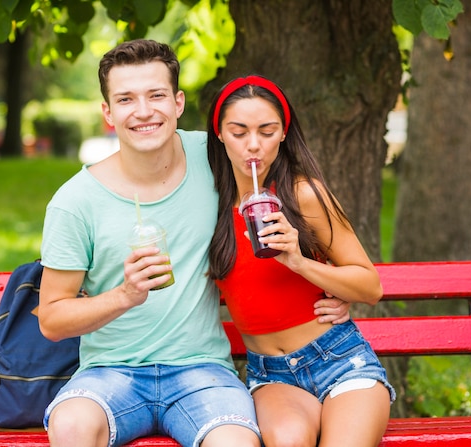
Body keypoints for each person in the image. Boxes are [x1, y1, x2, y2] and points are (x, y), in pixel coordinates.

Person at [38, 39, 349, 447]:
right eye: (126, 99)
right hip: (110, 373)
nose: (144, 111)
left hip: (202, 371)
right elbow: (52, 319)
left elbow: (286, 196)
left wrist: (332, 283)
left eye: (156, 95)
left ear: (179, 102)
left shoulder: (215, 155)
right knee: (71, 426)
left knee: (236, 442)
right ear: (107, 112)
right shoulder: (75, 202)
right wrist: (124, 296)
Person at [206, 75, 396, 447]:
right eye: (239, 132)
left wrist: (300, 262)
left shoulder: (302, 195)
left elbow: (370, 287)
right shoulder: (207, 207)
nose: (253, 146)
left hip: (339, 360)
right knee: (289, 440)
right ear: (219, 135)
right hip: (272, 375)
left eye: (266, 130)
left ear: (282, 134)